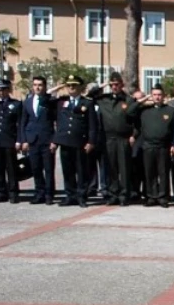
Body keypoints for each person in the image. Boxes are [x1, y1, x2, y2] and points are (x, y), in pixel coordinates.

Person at [52, 74, 99, 207]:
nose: (71, 88)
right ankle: (70, 195)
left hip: (80, 142)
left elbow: (92, 125)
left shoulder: (87, 103)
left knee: (82, 171)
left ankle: (81, 196)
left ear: (80, 87)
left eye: (74, 85)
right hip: (65, 141)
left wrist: (91, 142)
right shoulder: (61, 102)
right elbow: (46, 99)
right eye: (69, 85)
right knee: (68, 170)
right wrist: (59, 87)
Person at [92, 72, 138, 205]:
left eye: (116, 84)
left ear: (122, 85)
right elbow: (89, 96)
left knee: (124, 168)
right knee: (110, 168)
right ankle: (113, 194)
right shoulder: (103, 99)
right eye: (112, 85)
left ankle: (124, 195)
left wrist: (133, 135)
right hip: (108, 139)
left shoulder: (128, 100)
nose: (114, 87)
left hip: (123, 138)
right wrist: (102, 85)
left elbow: (136, 120)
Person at [136, 85, 174, 208]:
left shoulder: (171, 111)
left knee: (163, 172)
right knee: (150, 172)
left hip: (164, 146)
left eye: (159, 94)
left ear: (163, 96)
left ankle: (163, 197)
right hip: (148, 146)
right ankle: (151, 196)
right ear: (151, 96)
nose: (157, 97)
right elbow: (130, 110)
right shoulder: (144, 111)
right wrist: (143, 100)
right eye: (154, 95)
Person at [20, 76, 58, 204]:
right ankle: (39, 193)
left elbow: (57, 122)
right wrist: (24, 140)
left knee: (48, 169)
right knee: (35, 168)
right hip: (32, 140)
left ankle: (49, 194)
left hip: (47, 139)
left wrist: (54, 140)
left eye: (40, 85)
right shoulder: (27, 102)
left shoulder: (51, 101)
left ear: (45, 86)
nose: (37, 87)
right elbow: (23, 122)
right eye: (35, 85)